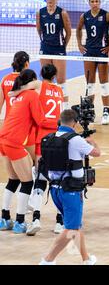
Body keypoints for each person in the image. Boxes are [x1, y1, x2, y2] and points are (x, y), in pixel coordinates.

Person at [7, 64, 65, 236]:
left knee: (40, 178)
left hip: (42, 138)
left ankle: (36, 219)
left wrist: (14, 93)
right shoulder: (60, 91)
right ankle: (60, 222)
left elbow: (26, 86)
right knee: (59, 179)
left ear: (41, 74)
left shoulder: (40, 85)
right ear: (55, 76)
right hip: (58, 136)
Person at [38, 110, 101, 265]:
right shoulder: (76, 140)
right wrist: (92, 141)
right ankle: (47, 260)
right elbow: (97, 153)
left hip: (54, 190)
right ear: (74, 123)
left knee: (76, 225)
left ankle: (86, 259)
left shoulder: (49, 138)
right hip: (71, 190)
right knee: (71, 229)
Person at [0, 69, 46, 233]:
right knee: (27, 182)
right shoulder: (31, 95)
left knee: (13, 180)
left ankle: (4, 218)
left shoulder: (19, 96)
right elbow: (40, 120)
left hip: (3, 139)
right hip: (13, 142)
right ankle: (20, 221)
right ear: (32, 81)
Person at [76, 0, 109, 125]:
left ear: (100, 2)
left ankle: (106, 112)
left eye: (97, 1)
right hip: (90, 52)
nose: (95, 3)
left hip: (102, 52)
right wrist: (80, 44)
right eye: (92, 1)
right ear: (89, 2)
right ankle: (89, 113)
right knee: (90, 84)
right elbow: (78, 29)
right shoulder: (84, 16)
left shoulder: (107, 15)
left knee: (104, 84)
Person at [36, 0, 71, 110]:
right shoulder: (40, 12)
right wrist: (45, 42)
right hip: (45, 48)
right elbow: (39, 30)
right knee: (46, 79)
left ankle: (65, 109)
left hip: (58, 49)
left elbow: (69, 32)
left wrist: (62, 46)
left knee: (61, 80)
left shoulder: (62, 13)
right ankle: (46, 107)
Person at [0, 51, 29, 119]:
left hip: (9, 123)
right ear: (27, 64)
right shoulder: (29, 80)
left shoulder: (5, 79)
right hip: (24, 122)